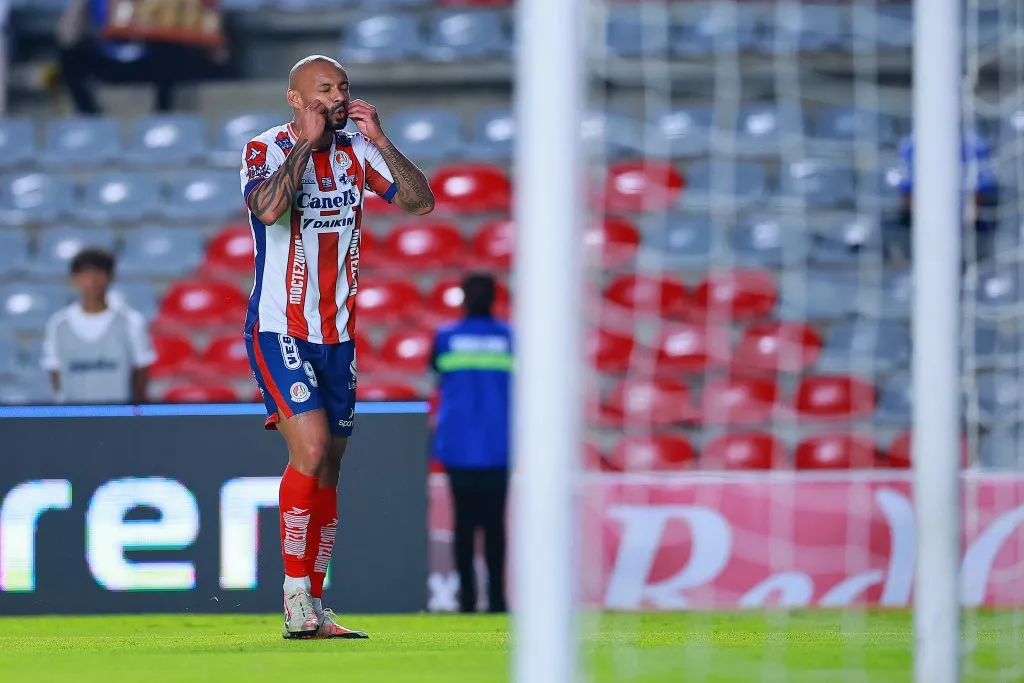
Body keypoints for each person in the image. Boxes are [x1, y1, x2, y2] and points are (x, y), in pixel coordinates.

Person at [241, 55, 434, 639]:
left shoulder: (357, 148)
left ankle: (316, 605)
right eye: (323, 89)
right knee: (313, 446)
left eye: (342, 88)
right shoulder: (266, 147)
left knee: (330, 469)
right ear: (295, 99)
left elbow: (419, 202)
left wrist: (381, 137)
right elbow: (269, 208)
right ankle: (294, 597)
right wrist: (306, 144)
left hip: (338, 337)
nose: (336, 97)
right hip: (281, 327)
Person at [429, 273, 513, 614]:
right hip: (498, 443)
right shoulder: (510, 338)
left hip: (459, 444)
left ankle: (466, 600)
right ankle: (496, 601)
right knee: (495, 525)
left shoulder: (446, 337)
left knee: (464, 524)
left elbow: (436, 371)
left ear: (463, 298)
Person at [41, 248, 155, 405]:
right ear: (74, 278)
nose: (92, 281)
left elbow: (141, 371)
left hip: (118, 417)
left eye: (99, 274)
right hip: (74, 418)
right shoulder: (58, 324)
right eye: (86, 274)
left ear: (110, 277)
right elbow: (55, 372)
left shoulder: (131, 321)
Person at [888, 130, 999, 264]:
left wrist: (961, 222)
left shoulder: (974, 144)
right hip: (921, 228)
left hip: (966, 229)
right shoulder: (912, 143)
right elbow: (907, 197)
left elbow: (978, 196)